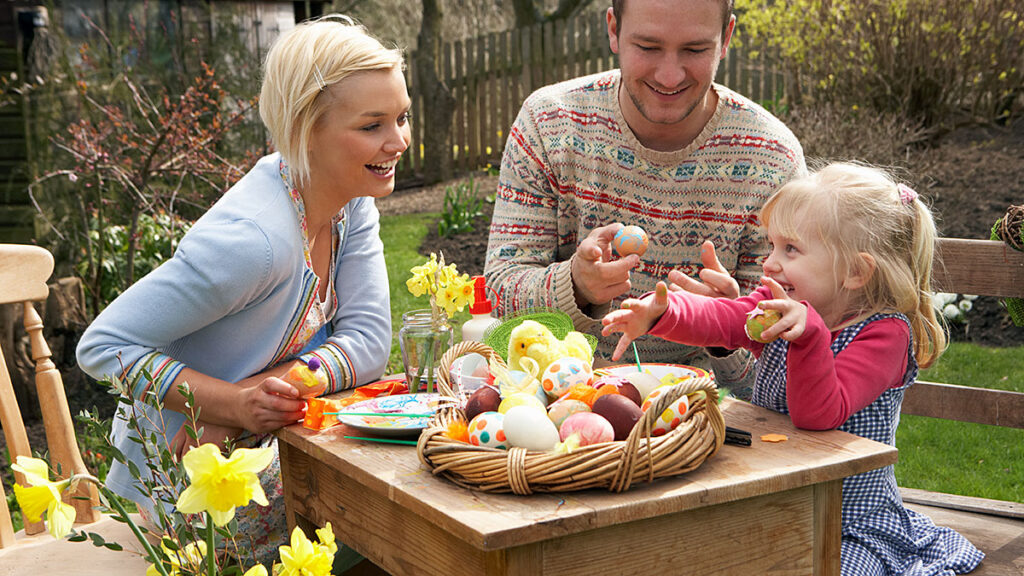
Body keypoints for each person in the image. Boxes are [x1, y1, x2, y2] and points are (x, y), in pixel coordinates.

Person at [76, 16, 409, 569]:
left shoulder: (352, 203)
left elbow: (372, 342)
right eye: (373, 124)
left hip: (263, 461)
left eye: (401, 117)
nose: (398, 141)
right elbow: (102, 346)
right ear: (305, 129)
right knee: (387, 533)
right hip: (178, 503)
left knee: (390, 522)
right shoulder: (253, 243)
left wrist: (252, 396)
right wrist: (229, 403)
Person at [601, 163, 984, 575]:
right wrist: (662, 313)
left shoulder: (886, 334)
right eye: (772, 246)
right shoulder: (779, 306)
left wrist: (809, 337)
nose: (769, 264)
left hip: (848, 521)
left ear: (855, 271)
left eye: (791, 250)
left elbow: (819, 415)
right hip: (771, 502)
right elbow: (725, 318)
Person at [483, 0, 806, 393]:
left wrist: (726, 330)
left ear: (726, 39)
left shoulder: (771, 159)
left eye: (695, 49)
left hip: (708, 421)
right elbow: (499, 295)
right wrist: (575, 287)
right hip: (560, 407)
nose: (669, 76)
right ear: (613, 29)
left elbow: (785, 374)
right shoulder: (549, 125)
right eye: (649, 47)